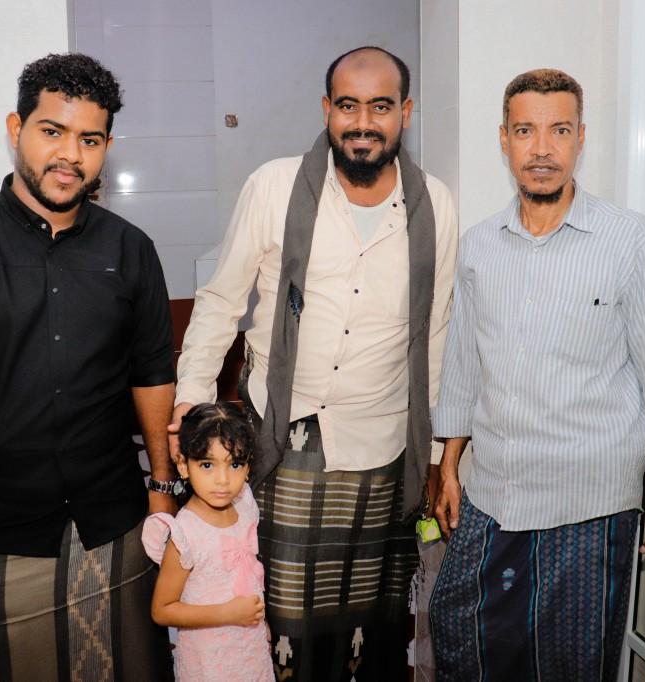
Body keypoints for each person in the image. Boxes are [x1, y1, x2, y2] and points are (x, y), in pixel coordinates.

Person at [0, 53, 175, 681]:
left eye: (89, 139)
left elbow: (152, 372)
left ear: (107, 148)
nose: (70, 154)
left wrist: (162, 486)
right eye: (52, 131)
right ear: (16, 129)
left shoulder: (131, 250)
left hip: (113, 526)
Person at [172, 46, 459, 681]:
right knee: (280, 617)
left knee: (373, 623)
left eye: (380, 106)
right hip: (285, 436)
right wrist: (191, 399)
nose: (364, 122)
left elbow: (436, 333)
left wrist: (438, 453)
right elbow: (222, 299)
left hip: (385, 443)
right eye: (348, 106)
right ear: (327, 109)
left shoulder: (435, 204)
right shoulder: (274, 186)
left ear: (405, 112)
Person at [428, 68, 645, 681]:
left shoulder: (628, 240)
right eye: (526, 130)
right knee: (463, 643)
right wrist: (448, 464)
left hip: (589, 506)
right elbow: (465, 362)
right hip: (494, 494)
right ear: (504, 139)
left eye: (558, 130)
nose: (542, 149)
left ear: (581, 138)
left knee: (570, 666)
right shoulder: (479, 245)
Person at [144, 402, 275, 681]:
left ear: (248, 466)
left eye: (235, 464)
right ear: (183, 465)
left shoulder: (246, 506)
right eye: (207, 465)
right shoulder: (186, 534)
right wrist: (228, 613)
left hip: (249, 651)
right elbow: (162, 610)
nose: (223, 480)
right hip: (209, 661)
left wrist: (258, 622)